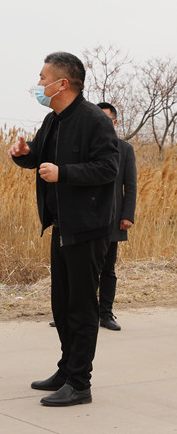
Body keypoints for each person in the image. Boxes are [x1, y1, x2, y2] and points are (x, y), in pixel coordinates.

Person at [8, 52, 118, 407]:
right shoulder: (52, 120)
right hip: (61, 226)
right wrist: (23, 154)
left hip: (88, 228)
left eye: (43, 78)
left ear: (62, 83)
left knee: (82, 307)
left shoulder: (94, 120)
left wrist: (64, 173)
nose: (39, 84)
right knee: (61, 304)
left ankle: (80, 383)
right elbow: (39, 158)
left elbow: (108, 168)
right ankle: (67, 369)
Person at [96, 102, 137, 331]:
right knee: (81, 270)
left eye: (106, 119)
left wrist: (127, 215)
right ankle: (76, 314)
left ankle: (105, 314)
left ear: (115, 122)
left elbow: (130, 185)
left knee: (107, 269)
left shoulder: (125, 149)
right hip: (86, 218)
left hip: (112, 218)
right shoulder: (85, 146)